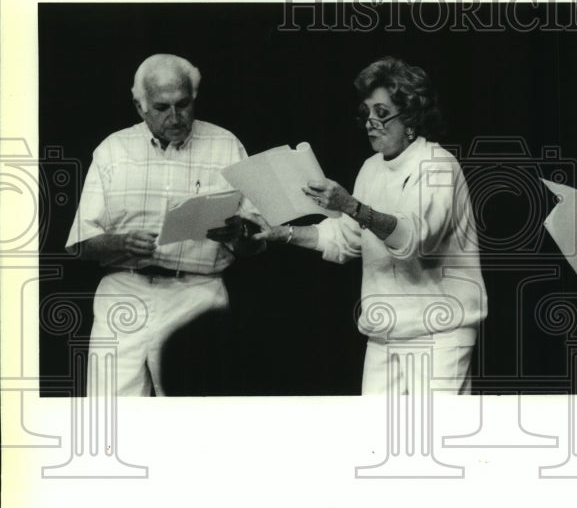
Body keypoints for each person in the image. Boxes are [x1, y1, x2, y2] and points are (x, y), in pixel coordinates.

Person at [254, 56, 486, 395]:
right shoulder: (371, 168)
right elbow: (345, 239)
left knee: (438, 442)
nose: (370, 123)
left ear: (410, 118)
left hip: (440, 336)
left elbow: (414, 239)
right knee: (373, 441)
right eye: (367, 113)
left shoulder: (437, 165)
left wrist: (349, 204)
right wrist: (281, 233)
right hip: (383, 335)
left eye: (382, 113)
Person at [65, 53, 262, 397]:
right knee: (110, 415)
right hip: (123, 293)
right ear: (140, 107)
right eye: (161, 107)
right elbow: (80, 244)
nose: (175, 117)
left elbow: (257, 240)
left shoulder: (226, 145)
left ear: (194, 98)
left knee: (197, 415)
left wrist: (240, 233)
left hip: (198, 294)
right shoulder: (112, 151)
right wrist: (120, 243)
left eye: (183, 104)